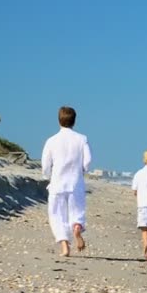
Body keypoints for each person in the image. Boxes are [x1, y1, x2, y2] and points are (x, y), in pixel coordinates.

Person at [42, 106, 92, 256]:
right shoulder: (82, 139)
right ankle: (76, 227)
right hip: (75, 182)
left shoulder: (51, 140)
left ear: (59, 120)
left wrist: (47, 176)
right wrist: (83, 169)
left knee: (57, 214)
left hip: (57, 182)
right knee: (77, 210)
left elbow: (46, 163)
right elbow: (88, 160)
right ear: (74, 121)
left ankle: (64, 245)